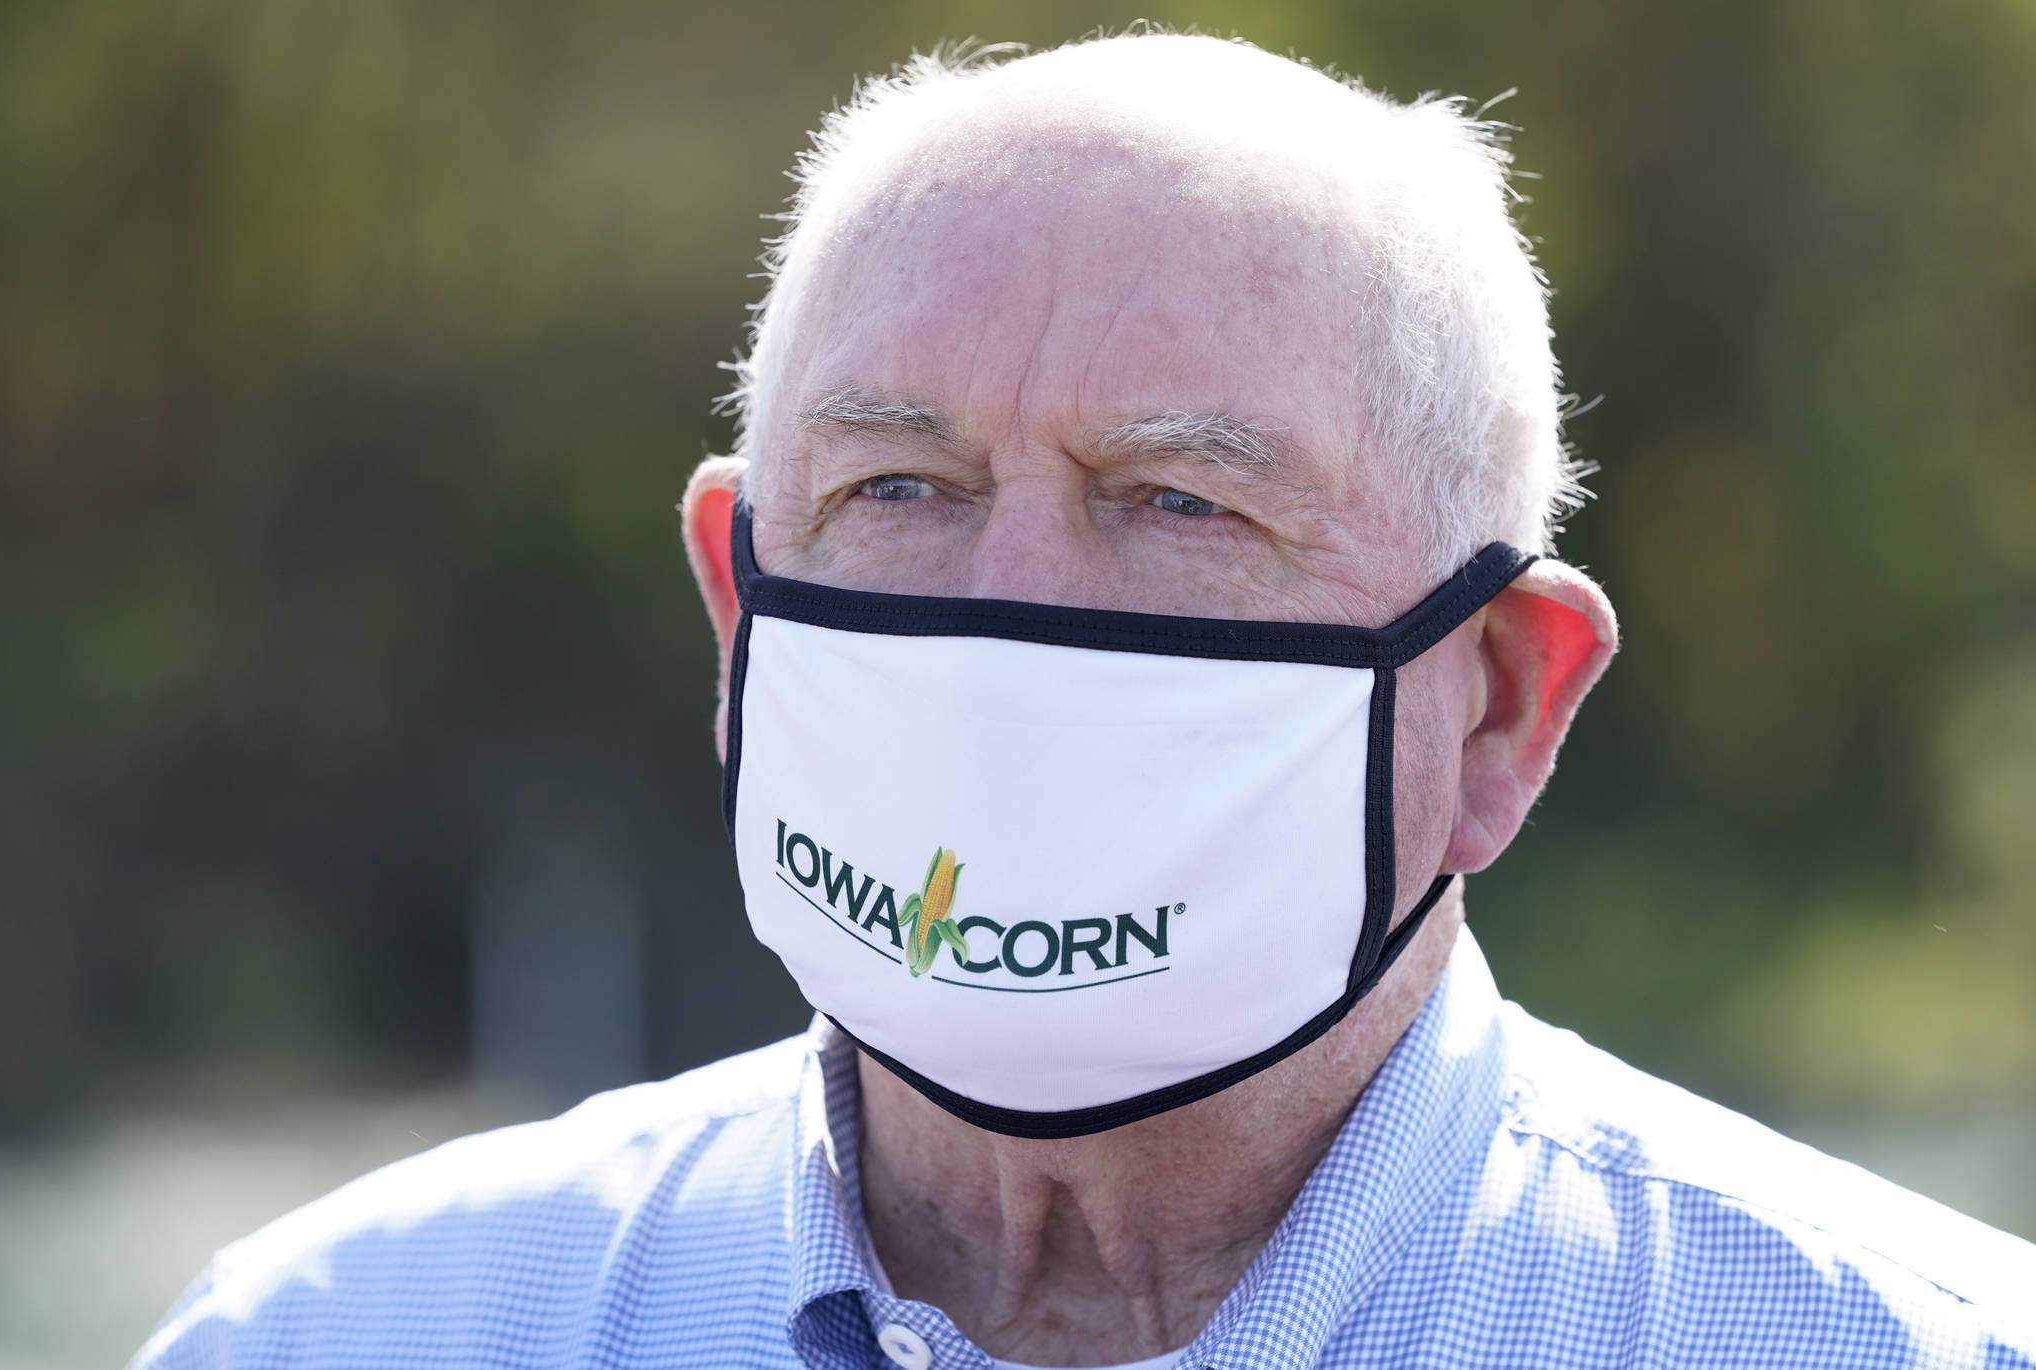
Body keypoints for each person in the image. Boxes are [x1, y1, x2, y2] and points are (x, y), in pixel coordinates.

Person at [131, 32, 2034, 1370]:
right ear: (737, 605)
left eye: (1181, 503)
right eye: (899, 488)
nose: (1006, 616)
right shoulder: (336, 1338)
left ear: (1499, 708)